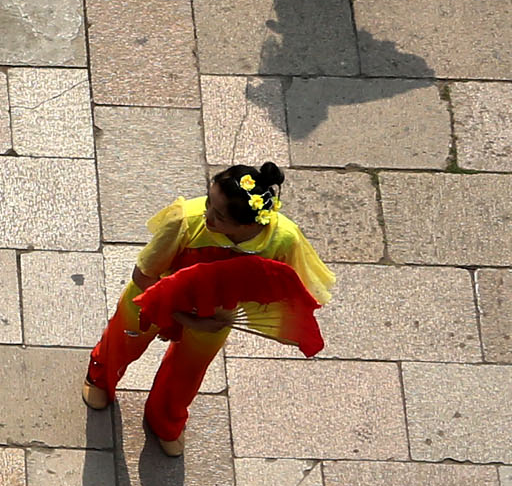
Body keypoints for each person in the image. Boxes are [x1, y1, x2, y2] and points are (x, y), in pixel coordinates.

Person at [85, 161, 337, 455]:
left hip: (216, 316)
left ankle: (165, 419)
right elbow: (143, 276)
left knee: (188, 372)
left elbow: (290, 287)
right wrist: (183, 318)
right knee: (124, 340)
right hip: (152, 297)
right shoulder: (186, 221)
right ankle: (99, 377)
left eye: (218, 216)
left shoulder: (284, 239)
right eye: (208, 202)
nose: (207, 216)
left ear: (249, 224)